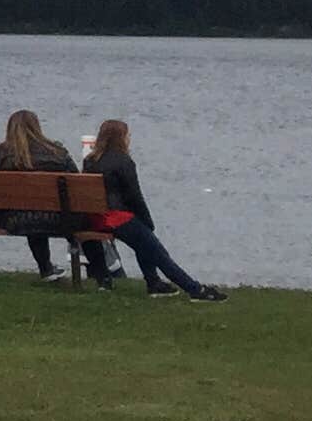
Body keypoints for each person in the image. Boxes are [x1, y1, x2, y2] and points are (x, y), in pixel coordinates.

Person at [0, 109, 108, 281]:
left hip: (14, 220)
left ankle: (46, 269)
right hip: (60, 220)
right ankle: (102, 278)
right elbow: (76, 185)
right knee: (74, 222)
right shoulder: (58, 152)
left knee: (31, 213)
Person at [86, 117, 225, 302]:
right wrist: (147, 221)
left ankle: (154, 282)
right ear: (121, 138)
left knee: (142, 239)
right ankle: (194, 289)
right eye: (128, 136)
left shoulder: (90, 161)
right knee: (157, 251)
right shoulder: (124, 162)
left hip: (95, 219)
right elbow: (134, 197)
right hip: (116, 218)